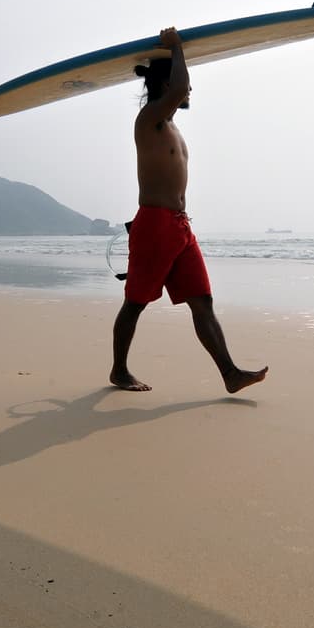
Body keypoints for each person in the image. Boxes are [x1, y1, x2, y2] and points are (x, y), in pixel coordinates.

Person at [109, 27, 268, 394]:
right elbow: (181, 88)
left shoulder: (173, 128)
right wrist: (177, 48)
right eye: (182, 82)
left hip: (180, 228)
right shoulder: (149, 120)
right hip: (154, 225)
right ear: (165, 85)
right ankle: (119, 370)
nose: (189, 89)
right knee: (135, 302)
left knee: (203, 300)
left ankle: (230, 374)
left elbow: (181, 90)